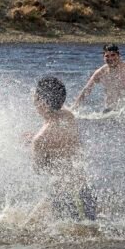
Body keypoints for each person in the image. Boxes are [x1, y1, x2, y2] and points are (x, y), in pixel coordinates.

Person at [27, 76, 96, 222]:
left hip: (63, 194)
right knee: (87, 230)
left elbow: (38, 170)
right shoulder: (68, 116)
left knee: (75, 233)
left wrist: (33, 145)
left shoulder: (40, 140)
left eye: (35, 97)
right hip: (84, 188)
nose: (33, 102)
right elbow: (61, 140)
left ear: (43, 102)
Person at [72, 44, 125, 112]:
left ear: (118, 55)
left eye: (113, 55)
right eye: (107, 56)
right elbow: (86, 90)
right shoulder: (100, 72)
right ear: (103, 57)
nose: (110, 58)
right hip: (109, 110)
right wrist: (74, 107)